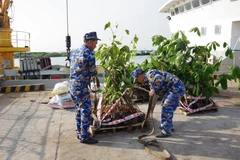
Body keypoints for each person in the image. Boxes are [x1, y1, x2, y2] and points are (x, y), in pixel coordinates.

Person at [131, 68, 186, 138]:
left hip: (176, 88)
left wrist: (153, 89)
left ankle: (166, 131)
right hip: (171, 89)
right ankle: (168, 126)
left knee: (167, 107)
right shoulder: (148, 79)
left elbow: (159, 79)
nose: (138, 81)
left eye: (137, 79)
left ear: (140, 76)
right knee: (164, 104)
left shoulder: (150, 74)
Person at [69, 31, 100, 144]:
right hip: (81, 87)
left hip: (72, 86)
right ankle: (85, 136)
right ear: (89, 42)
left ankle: (79, 132)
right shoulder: (89, 54)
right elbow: (92, 72)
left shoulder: (76, 52)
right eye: (95, 43)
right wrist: (94, 72)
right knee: (86, 110)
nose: (96, 45)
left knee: (78, 109)